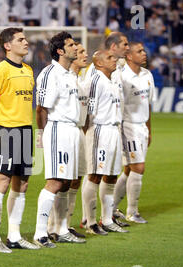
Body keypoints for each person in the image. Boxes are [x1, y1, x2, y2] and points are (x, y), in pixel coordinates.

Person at [0, 27, 39, 252]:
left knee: (22, 183)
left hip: (25, 130)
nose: (26, 42)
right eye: (21, 40)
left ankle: (14, 235)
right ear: (7, 45)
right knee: (1, 183)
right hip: (5, 130)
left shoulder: (28, 69)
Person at [32, 31, 85, 247]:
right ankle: (39, 233)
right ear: (60, 51)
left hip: (71, 130)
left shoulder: (70, 74)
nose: (76, 48)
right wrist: (42, 134)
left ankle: (61, 229)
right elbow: (41, 108)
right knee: (54, 182)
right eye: (71, 45)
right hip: (58, 130)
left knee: (65, 182)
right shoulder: (49, 74)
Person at [81, 32, 130, 228]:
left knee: (111, 175)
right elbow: (87, 111)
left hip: (114, 130)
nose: (114, 60)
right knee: (94, 175)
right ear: (99, 63)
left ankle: (107, 219)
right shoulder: (95, 80)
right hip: (99, 130)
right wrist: (89, 134)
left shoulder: (112, 79)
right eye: (110, 57)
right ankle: (90, 220)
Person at [48, 41, 90, 241]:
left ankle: (65, 224)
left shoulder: (80, 80)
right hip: (63, 130)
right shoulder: (64, 77)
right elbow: (43, 107)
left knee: (75, 180)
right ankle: (52, 226)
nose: (83, 54)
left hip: (78, 131)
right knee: (61, 180)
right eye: (79, 50)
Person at [112, 42, 155, 224]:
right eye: (139, 51)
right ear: (129, 56)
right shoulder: (122, 77)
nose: (144, 53)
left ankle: (111, 208)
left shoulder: (147, 75)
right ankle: (132, 211)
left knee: (129, 169)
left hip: (142, 128)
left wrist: (149, 130)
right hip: (128, 126)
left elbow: (148, 105)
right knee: (139, 167)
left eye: (143, 50)